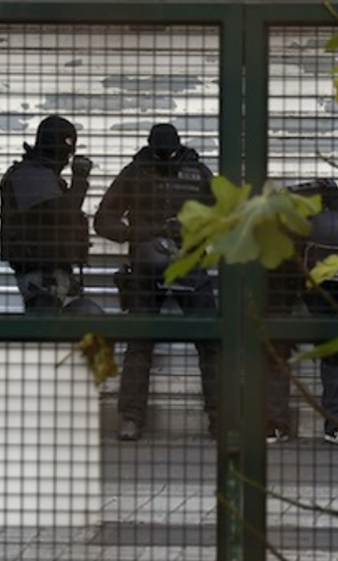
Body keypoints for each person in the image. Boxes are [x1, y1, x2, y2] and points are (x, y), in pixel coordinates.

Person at [95, 123, 218, 441]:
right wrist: (137, 234)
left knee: (211, 343)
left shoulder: (198, 173)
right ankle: (131, 418)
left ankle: (221, 417)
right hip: (145, 269)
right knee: (138, 345)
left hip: (190, 265)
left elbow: (225, 218)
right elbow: (103, 220)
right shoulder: (136, 172)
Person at [265, 179, 338, 447]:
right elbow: (270, 268)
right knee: (275, 341)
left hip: (330, 282)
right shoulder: (285, 220)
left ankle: (337, 423)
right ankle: (274, 422)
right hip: (285, 274)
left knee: (335, 345)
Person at [0, 115, 94, 314]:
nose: (67, 160)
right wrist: (80, 181)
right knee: (43, 330)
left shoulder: (46, 177)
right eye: (66, 154)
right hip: (40, 273)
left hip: (50, 270)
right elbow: (63, 214)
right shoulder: (29, 175)